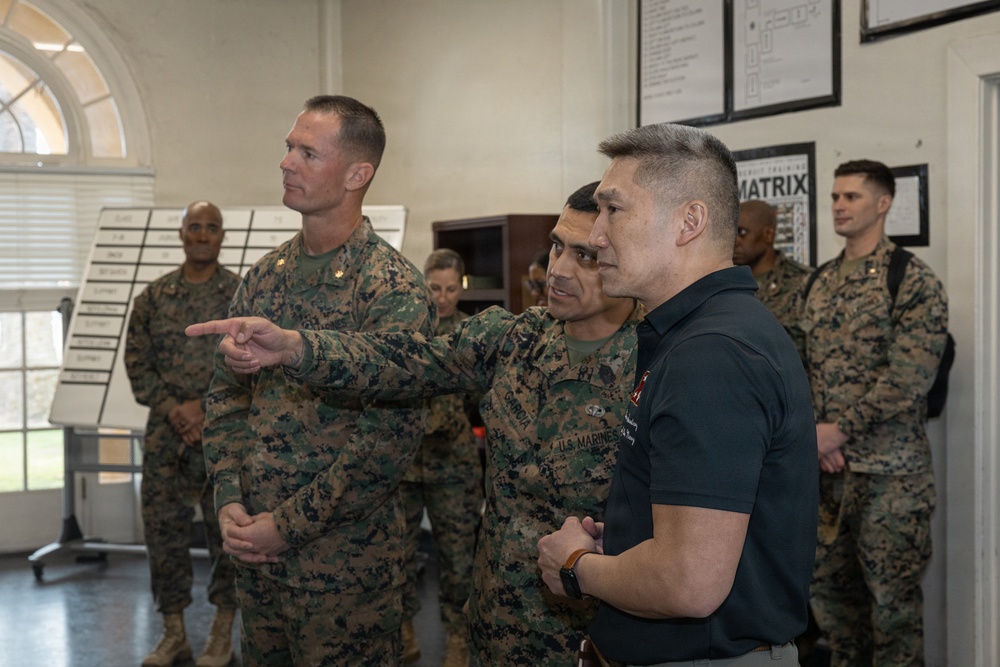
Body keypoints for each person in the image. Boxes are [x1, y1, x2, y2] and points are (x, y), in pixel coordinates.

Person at [187, 181, 643, 666]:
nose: (560, 270)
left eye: (585, 256)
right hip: (500, 624)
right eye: (556, 247)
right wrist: (297, 347)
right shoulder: (515, 338)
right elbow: (405, 359)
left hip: (596, 637)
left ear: (627, 258)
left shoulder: (658, 361)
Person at [535, 123, 818, 666]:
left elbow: (690, 583)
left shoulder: (713, 354)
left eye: (614, 210)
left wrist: (575, 566)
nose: (596, 237)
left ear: (689, 221)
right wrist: (622, 544)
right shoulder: (699, 333)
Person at [201, 95, 434, 665]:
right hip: (256, 555)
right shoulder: (264, 276)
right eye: (288, 147)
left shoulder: (391, 289)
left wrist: (287, 526)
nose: (286, 162)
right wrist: (230, 499)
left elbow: (386, 445)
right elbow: (226, 397)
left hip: (342, 569)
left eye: (308, 152)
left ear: (359, 174)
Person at [797, 160, 948, 666]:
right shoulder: (817, 282)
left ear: (883, 203)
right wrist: (814, 439)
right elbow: (796, 369)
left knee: (892, 609)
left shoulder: (911, 280)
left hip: (891, 478)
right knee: (834, 609)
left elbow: (909, 377)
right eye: (835, 196)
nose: (839, 205)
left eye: (852, 197)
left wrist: (837, 432)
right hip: (826, 476)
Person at [124, 200, 240, 667]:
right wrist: (177, 410)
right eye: (195, 226)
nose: (202, 234)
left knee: (228, 537)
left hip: (225, 437)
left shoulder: (240, 296)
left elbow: (250, 368)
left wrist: (205, 409)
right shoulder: (152, 299)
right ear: (181, 233)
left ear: (221, 237)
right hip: (166, 440)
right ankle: (173, 634)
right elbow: (138, 365)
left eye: (211, 227)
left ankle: (221, 633)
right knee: (164, 537)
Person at [399, 248, 482, 666]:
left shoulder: (471, 334)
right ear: (422, 283)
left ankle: (456, 638)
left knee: (457, 558)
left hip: (454, 464)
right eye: (435, 287)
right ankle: (404, 630)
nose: (443, 297)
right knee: (398, 552)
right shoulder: (405, 331)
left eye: (451, 289)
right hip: (406, 465)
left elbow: (485, 400)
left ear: (461, 287)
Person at [732, 199, 810, 331]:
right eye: (731, 233)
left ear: (768, 235)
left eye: (742, 233)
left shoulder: (804, 283)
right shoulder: (727, 284)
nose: (734, 242)